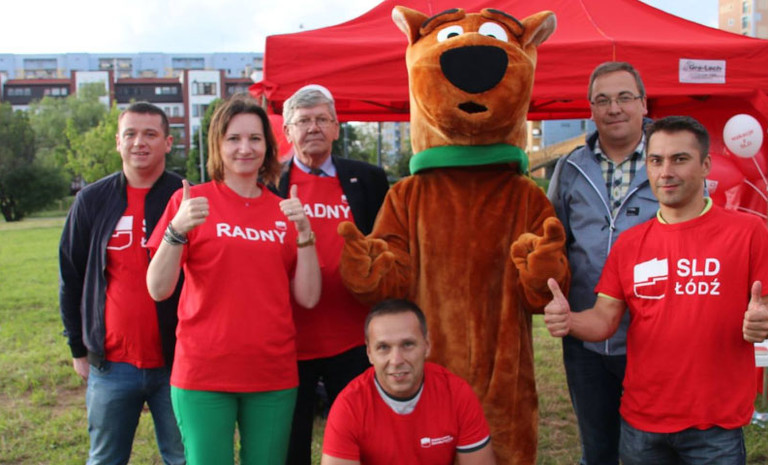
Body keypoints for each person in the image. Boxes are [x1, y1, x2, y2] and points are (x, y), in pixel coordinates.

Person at [544, 115, 768, 464]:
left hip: (715, 426)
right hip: (642, 426)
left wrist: (762, 322)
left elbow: (763, 308)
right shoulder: (630, 244)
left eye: (680, 159)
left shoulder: (748, 232)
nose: (666, 172)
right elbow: (604, 319)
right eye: (656, 160)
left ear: (706, 165)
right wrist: (569, 320)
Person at [145, 95, 321, 465]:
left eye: (255, 139)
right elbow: (158, 289)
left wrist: (305, 234)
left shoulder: (284, 210)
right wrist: (176, 230)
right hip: (203, 373)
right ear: (218, 144)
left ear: (268, 147)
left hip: (272, 372)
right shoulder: (190, 202)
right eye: (234, 138)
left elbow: (308, 298)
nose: (245, 148)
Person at [59, 101, 185, 465]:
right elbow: (71, 276)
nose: (139, 142)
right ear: (118, 142)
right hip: (111, 365)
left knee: (183, 457)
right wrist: (78, 348)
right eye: (130, 134)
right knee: (105, 459)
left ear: (168, 142)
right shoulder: (91, 200)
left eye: (150, 134)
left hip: (178, 361)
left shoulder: (187, 198)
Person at [546, 61, 656, 465]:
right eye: (602, 100)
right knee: (597, 449)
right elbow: (555, 237)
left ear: (643, 103)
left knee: (651, 449)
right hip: (585, 335)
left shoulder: (667, 160)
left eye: (625, 97)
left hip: (653, 336)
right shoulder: (570, 167)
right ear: (590, 109)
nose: (614, 108)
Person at [276, 84, 390, 465]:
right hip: (290, 339)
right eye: (303, 121)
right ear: (288, 131)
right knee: (291, 444)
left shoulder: (368, 179)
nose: (314, 127)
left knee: (358, 439)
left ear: (337, 128)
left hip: (353, 336)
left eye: (322, 119)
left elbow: (386, 245)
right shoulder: (268, 182)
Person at [321, 299, 496, 465]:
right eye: (383, 347)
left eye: (407, 344)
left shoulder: (456, 394)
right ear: (369, 353)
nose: (396, 360)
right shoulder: (349, 406)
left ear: (427, 345)